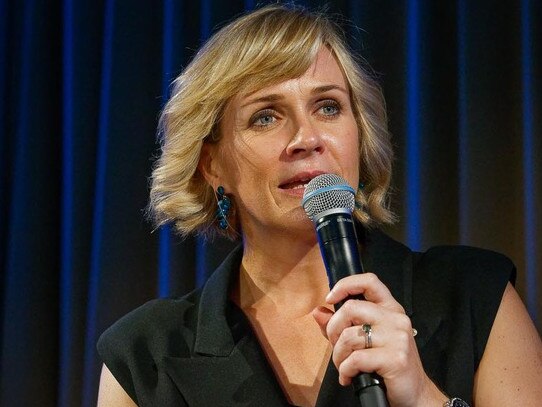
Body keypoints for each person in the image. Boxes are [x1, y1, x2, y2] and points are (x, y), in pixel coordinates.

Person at [96, 4, 542, 407]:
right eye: (265, 116)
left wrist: (424, 397)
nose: (306, 139)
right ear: (212, 165)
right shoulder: (145, 356)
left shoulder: (474, 296)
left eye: (328, 107)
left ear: (359, 137)